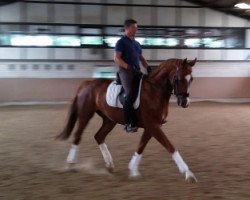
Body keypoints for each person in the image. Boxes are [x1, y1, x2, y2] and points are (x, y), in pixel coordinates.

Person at [114, 19, 151, 133]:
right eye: (134, 28)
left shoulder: (136, 43)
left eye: (136, 28)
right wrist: (127, 66)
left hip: (137, 70)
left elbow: (141, 58)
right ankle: (128, 123)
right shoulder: (121, 42)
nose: (136, 30)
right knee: (130, 95)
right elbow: (116, 58)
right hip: (126, 72)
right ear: (127, 28)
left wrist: (148, 67)